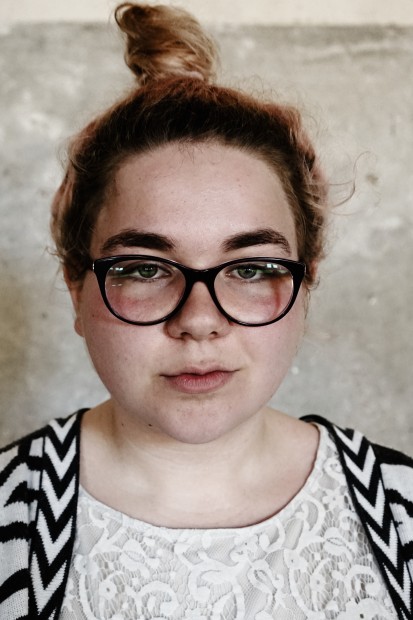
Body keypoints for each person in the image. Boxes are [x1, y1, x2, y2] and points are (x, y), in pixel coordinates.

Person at [0, 3, 412, 619]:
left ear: (307, 283)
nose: (198, 320)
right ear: (75, 287)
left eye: (250, 269)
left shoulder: (404, 511)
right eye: (144, 269)